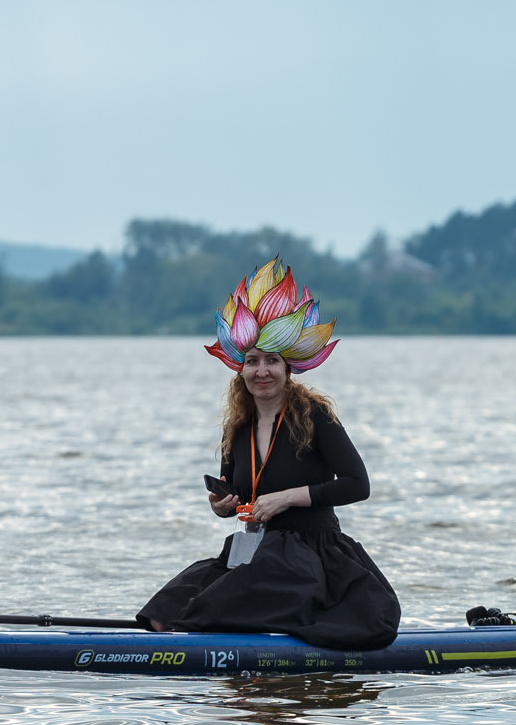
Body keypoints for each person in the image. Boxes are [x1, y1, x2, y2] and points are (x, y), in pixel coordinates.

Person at [140, 257, 401, 650]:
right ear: (241, 370)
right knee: (164, 611)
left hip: (311, 556)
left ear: (288, 368)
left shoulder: (315, 416)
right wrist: (223, 505)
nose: (262, 371)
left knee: (212, 610)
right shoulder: (238, 427)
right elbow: (237, 497)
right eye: (253, 361)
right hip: (254, 550)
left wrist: (288, 498)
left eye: (272, 361)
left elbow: (358, 485)